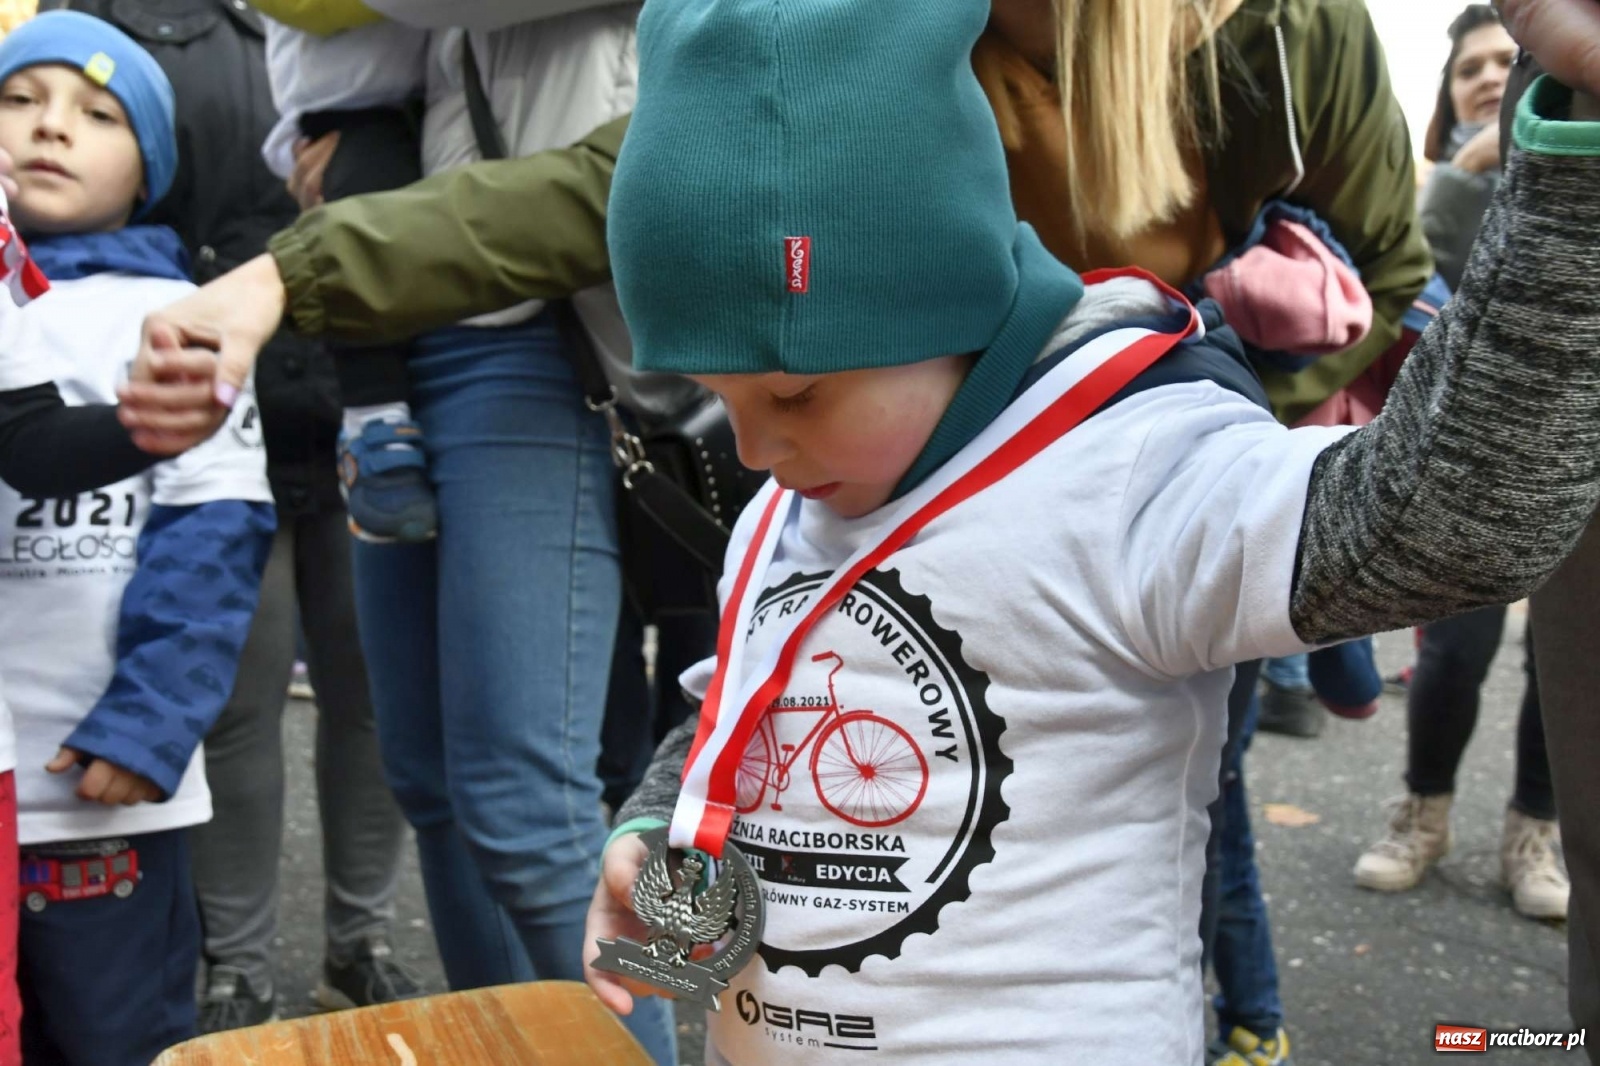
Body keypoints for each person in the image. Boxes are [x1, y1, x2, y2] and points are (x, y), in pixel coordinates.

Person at [558, 0, 1592, 1062]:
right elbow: (749, 696)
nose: (753, 447)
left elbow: (1453, 520)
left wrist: (1576, 158)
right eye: (719, 397)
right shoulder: (798, 492)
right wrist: (653, 825)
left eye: (795, 393)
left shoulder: (1133, 468)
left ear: (942, 309)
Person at [43, 0, 419, 1030]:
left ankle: (364, 937)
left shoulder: (344, 23)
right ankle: (237, 957)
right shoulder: (95, 25)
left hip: (358, 394)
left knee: (366, 694)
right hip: (197, 388)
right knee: (239, 703)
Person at [0, 13, 274, 1063]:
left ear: (151, 163)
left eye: (97, 112)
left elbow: (215, 535)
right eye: (18, 100)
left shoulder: (178, 313)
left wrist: (149, 723)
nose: (50, 129)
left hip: (98, 793)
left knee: (114, 1038)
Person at [1350, 3, 1567, 925]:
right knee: (1455, 653)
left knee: (1565, 670)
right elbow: (1411, 285)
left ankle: (1535, 836)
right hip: (1474, 457)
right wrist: (1470, 172)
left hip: (1580, 446)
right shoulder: (1438, 180)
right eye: (1469, 65)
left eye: (1500, 60)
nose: (1486, 75)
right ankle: (1422, 815)